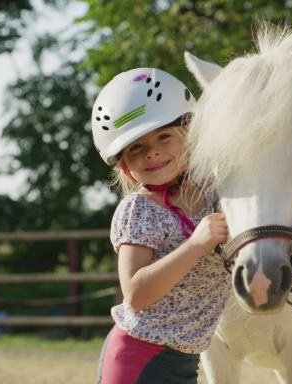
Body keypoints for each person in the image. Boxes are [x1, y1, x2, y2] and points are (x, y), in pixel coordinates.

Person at [92, 68, 230, 384]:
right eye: (136, 147)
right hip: (138, 359)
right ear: (125, 166)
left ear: (189, 132)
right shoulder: (138, 210)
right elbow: (136, 293)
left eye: (163, 136)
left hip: (184, 360)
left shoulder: (213, 194)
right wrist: (196, 245)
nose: (152, 151)